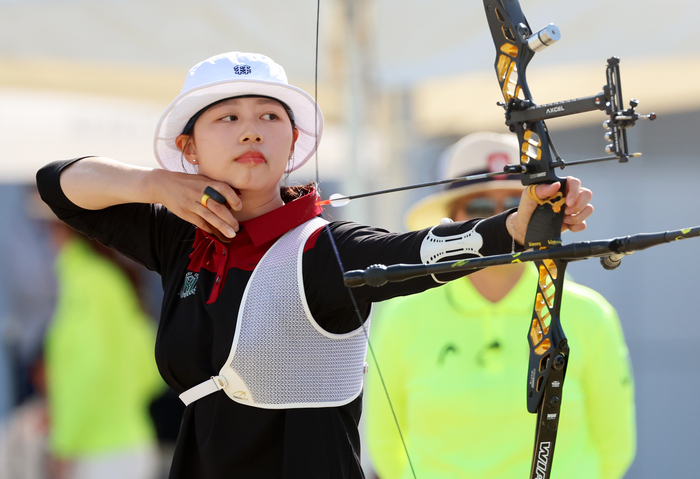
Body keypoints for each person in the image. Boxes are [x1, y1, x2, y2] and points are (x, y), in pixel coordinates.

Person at [35, 52, 594, 479]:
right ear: (190, 148)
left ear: (293, 139)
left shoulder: (322, 248)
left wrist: (514, 229)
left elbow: (415, 251)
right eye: (226, 118)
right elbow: (58, 183)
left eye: (268, 116)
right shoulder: (181, 236)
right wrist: (156, 183)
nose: (250, 130)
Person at [363, 132, 636, 479]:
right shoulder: (402, 314)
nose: (500, 220)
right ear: (451, 220)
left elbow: (615, 448)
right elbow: (386, 448)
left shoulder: (590, 313)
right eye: (478, 208)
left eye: (513, 205)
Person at [41, 217, 164, 479]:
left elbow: (89, 369)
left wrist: (65, 443)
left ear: (60, 230)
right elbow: (150, 365)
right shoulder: (110, 279)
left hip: (99, 454)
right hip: (131, 442)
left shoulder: (84, 284)